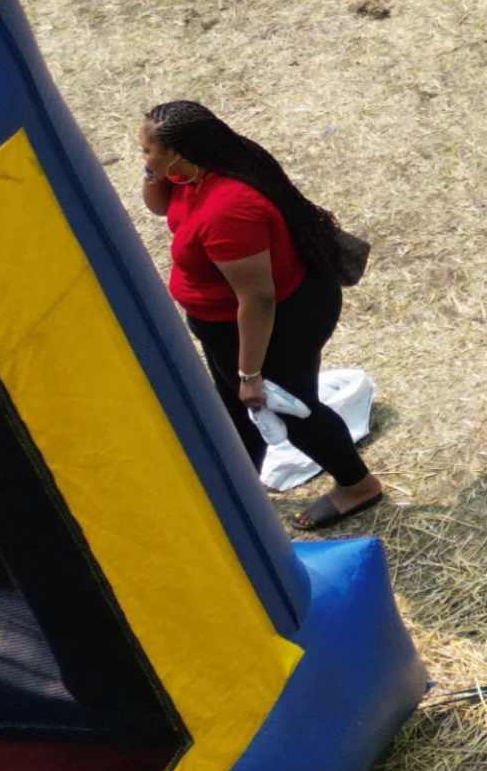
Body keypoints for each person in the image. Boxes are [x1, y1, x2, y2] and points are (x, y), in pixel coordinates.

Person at [140, 99, 382, 523]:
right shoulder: (190, 173)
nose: (142, 156)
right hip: (225, 324)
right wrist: (152, 171)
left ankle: (357, 486)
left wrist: (250, 374)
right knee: (235, 407)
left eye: (147, 150)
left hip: (276, 323)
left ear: (179, 152)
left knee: (295, 411)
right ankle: (240, 493)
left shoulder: (229, 211)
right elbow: (160, 208)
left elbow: (258, 299)